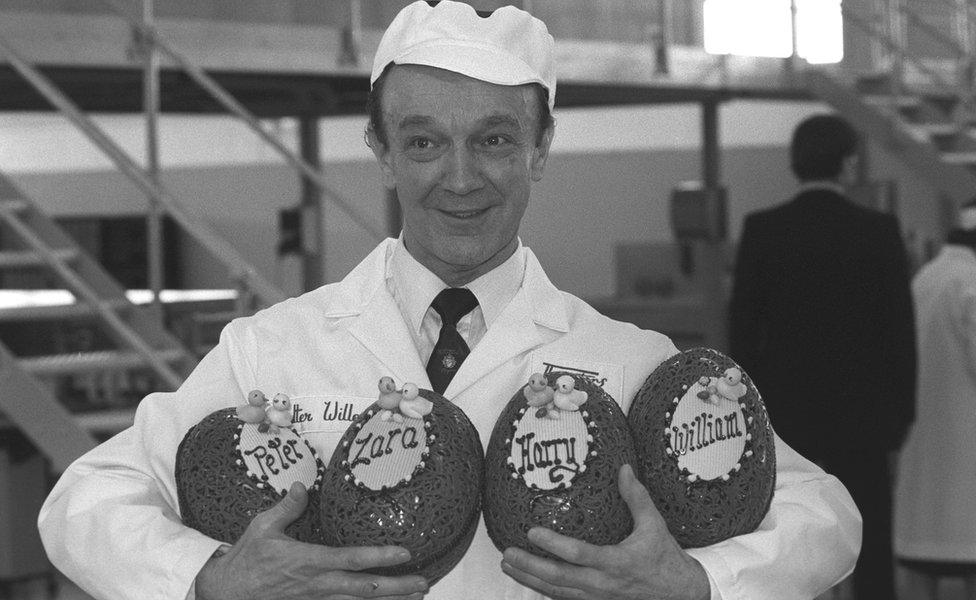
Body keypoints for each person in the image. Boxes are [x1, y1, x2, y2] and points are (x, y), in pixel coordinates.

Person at [39, 3, 861, 599]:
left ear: (541, 149)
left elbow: (824, 513)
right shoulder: (270, 350)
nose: (460, 177)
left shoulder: (629, 363)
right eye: (424, 140)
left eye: (496, 139)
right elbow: (84, 498)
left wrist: (698, 583)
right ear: (382, 152)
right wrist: (211, 578)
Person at [729, 113, 916, 599]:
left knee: (790, 541)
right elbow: (898, 334)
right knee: (871, 539)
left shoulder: (763, 230)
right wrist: (899, 420)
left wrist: (751, 419)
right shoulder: (878, 230)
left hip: (788, 418)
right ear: (849, 164)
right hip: (865, 418)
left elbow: (743, 334)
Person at [894, 199, 976, 600]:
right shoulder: (970, 282)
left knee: (920, 565)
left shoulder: (925, 278)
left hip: (924, 444)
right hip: (967, 456)